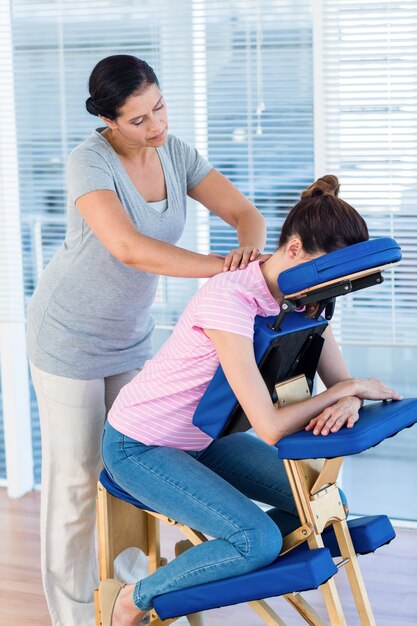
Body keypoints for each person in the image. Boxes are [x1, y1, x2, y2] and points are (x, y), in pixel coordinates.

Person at [26, 54, 267, 626]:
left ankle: (132, 593)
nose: (155, 126)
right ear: (109, 120)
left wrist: (248, 257)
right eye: (138, 120)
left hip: (131, 339)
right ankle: (73, 617)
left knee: (146, 466)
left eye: (158, 107)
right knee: (79, 483)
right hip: (68, 337)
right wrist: (219, 268)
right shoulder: (90, 162)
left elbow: (244, 213)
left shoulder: (174, 151)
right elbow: (128, 248)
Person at [99, 175, 402, 626]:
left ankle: (216, 553)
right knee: (256, 540)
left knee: (323, 501)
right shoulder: (231, 299)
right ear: (295, 249)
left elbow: (344, 382)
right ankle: (134, 597)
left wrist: (350, 399)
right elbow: (271, 426)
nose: (328, 292)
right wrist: (343, 392)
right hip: (142, 444)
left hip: (206, 437)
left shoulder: (306, 300)